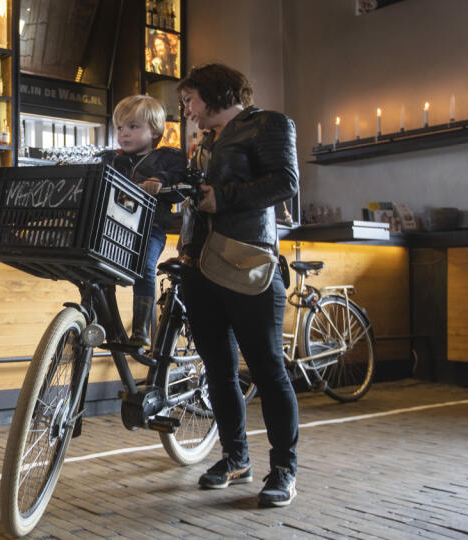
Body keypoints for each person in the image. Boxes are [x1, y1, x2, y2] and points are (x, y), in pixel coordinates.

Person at [175, 63, 300, 506]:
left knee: (268, 369)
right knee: (218, 372)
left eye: (190, 100)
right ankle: (236, 458)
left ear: (213, 93)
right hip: (199, 266)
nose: (186, 110)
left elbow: (284, 183)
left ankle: (283, 469)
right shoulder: (204, 143)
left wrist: (219, 198)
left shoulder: (267, 123)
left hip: (247, 262)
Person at [99, 95, 185, 348]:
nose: (124, 133)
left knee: (145, 267)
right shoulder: (112, 159)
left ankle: (141, 330)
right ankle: (107, 325)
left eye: (133, 127)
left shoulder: (168, 159)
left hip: (151, 227)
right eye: (120, 127)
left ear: (156, 132)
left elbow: (179, 183)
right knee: (98, 268)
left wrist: (160, 182)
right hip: (115, 226)